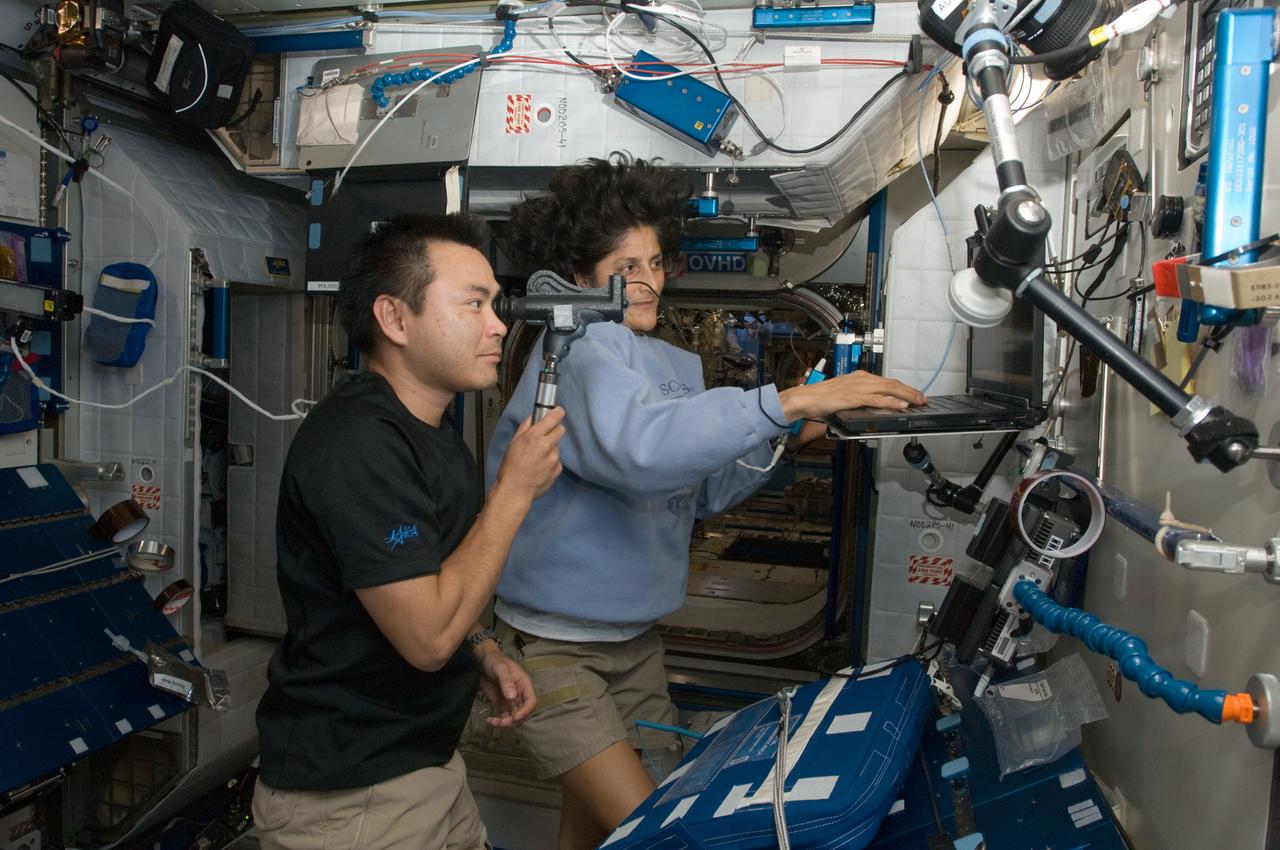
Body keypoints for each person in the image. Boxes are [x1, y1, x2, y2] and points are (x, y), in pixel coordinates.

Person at [485, 155, 927, 849]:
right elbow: (643, 452)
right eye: (625, 266)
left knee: (592, 831)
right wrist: (788, 398)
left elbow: (700, 488)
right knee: (661, 833)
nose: (648, 281)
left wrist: (787, 430)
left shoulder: (664, 363)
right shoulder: (576, 348)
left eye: (657, 263)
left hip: (631, 647)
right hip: (552, 652)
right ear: (576, 277)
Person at [252, 214, 566, 850]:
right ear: (395, 319)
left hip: (425, 766)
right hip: (352, 798)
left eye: (496, 305)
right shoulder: (358, 443)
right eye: (474, 304)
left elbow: (437, 578)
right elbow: (425, 639)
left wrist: (482, 649)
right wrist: (513, 492)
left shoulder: (433, 435)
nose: (499, 325)